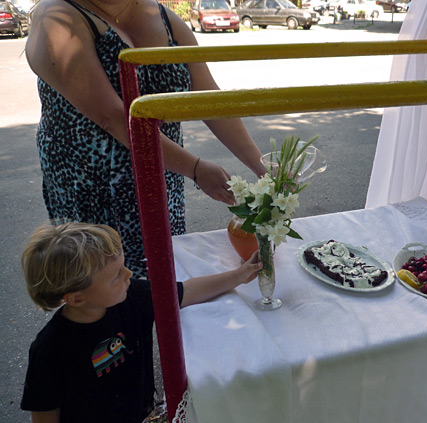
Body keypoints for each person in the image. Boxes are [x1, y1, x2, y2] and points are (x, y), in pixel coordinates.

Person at [25, 0, 267, 277]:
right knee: (101, 290)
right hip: (92, 190)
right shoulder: (56, 17)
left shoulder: (164, 16)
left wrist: (263, 166)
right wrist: (196, 169)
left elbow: (208, 97)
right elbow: (115, 117)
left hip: (159, 177)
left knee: (162, 281)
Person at [20, 222, 261, 423]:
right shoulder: (49, 348)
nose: (129, 274)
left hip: (137, 420)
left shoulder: (134, 296)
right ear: (76, 298)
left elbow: (185, 291)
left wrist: (239, 275)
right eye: (116, 275)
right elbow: (44, 409)